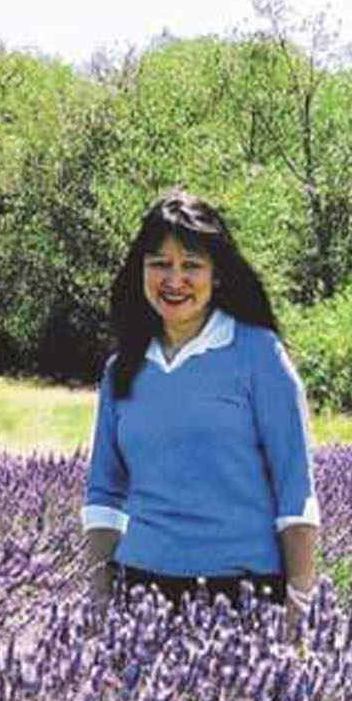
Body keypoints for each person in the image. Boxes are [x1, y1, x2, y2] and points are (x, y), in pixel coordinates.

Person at [81, 190, 319, 616]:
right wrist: (98, 599)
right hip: (139, 594)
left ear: (218, 274)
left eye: (191, 265)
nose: (174, 281)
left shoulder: (258, 354)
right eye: (159, 264)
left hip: (243, 595)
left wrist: (300, 599)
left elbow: (294, 488)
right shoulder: (122, 369)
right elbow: (104, 491)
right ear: (141, 272)